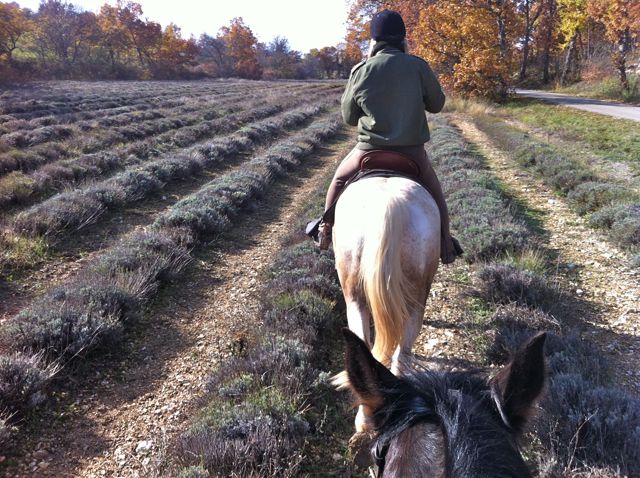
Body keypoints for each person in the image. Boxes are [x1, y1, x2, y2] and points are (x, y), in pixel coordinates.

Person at [317, 9, 462, 264]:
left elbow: (349, 118)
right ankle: (445, 244)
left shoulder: (361, 70)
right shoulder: (418, 66)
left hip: (368, 151)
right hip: (412, 154)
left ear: (374, 40)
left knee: (338, 181)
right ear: (403, 38)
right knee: (436, 194)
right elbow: (437, 104)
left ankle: (325, 231)